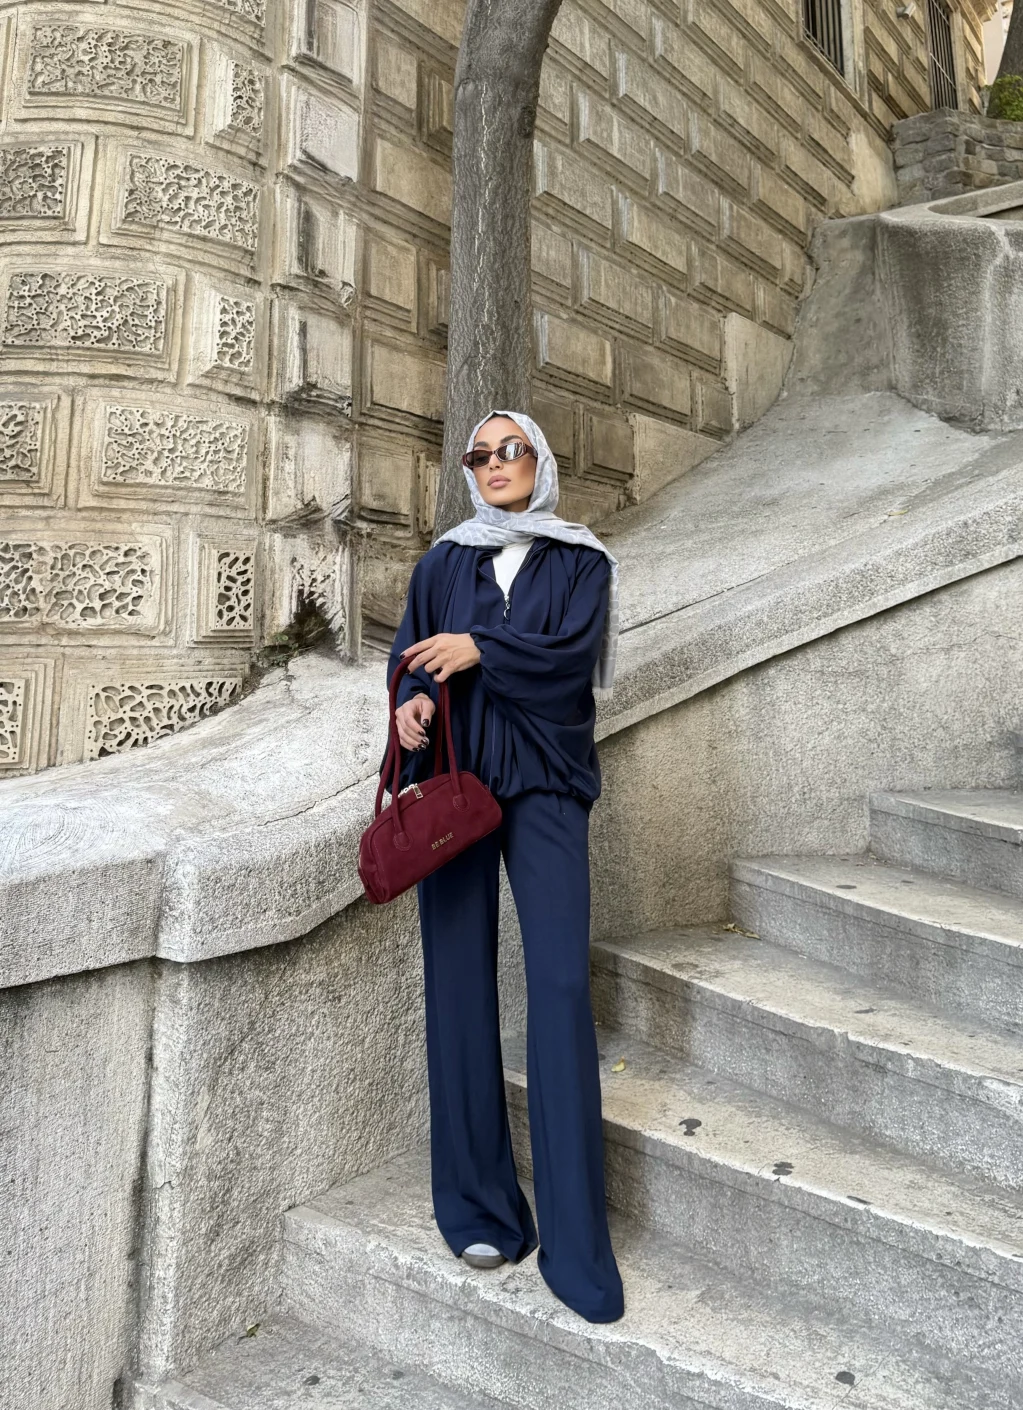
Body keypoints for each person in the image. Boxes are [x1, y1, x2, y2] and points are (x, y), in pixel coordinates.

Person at [382, 408, 624, 1324]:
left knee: (559, 986)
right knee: (457, 985)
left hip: (547, 785)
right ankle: (479, 1209)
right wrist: (411, 704)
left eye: (510, 450)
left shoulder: (581, 560)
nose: (494, 464)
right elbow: (412, 660)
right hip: (454, 786)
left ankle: (575, 1242)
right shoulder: (443, 563)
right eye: (479, 455)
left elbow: (570, 663)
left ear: (540, 460)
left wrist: (481, 648)